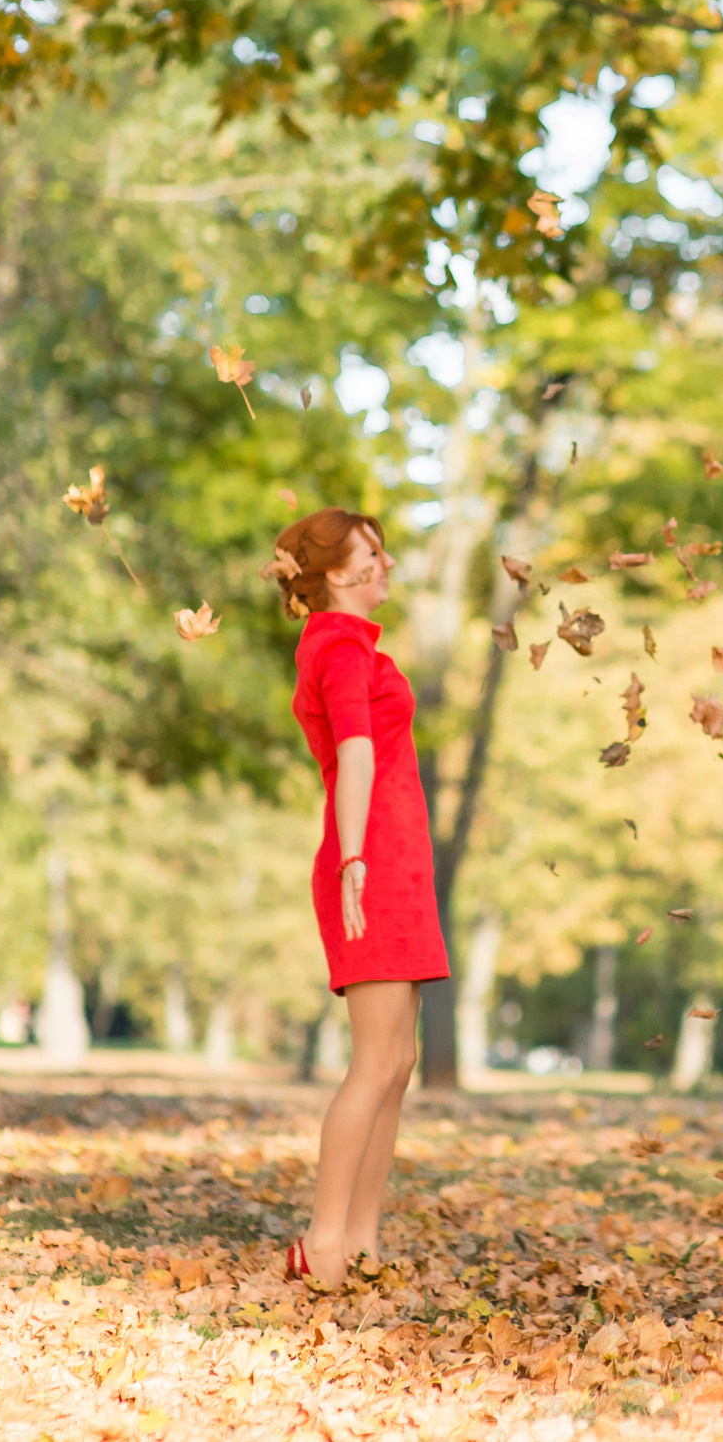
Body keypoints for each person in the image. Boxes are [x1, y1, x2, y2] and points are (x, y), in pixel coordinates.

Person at [264, 508, 450, 1288]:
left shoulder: (358, 645)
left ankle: (364, 1240)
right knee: (374, 1061)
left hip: (397, 863)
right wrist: (352, 860)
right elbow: (355, 755)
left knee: (399, 1061)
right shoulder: (338, 648)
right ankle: (325, 1240)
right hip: (368, 864)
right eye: (371, 554)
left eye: (382, 550)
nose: (387, 562)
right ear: (335, 573)